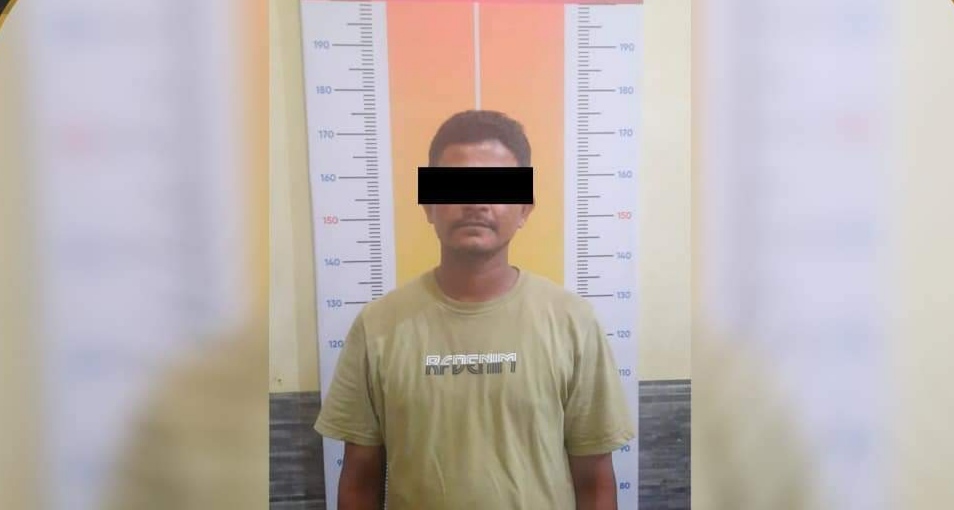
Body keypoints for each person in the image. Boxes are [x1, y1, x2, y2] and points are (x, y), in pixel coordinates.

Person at [314, 110, 636, 510]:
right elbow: (359, 480)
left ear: (524, 208)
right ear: (428, 204)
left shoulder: (574, 323)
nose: (475, 202)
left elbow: (595, 481)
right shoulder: (377, 326)